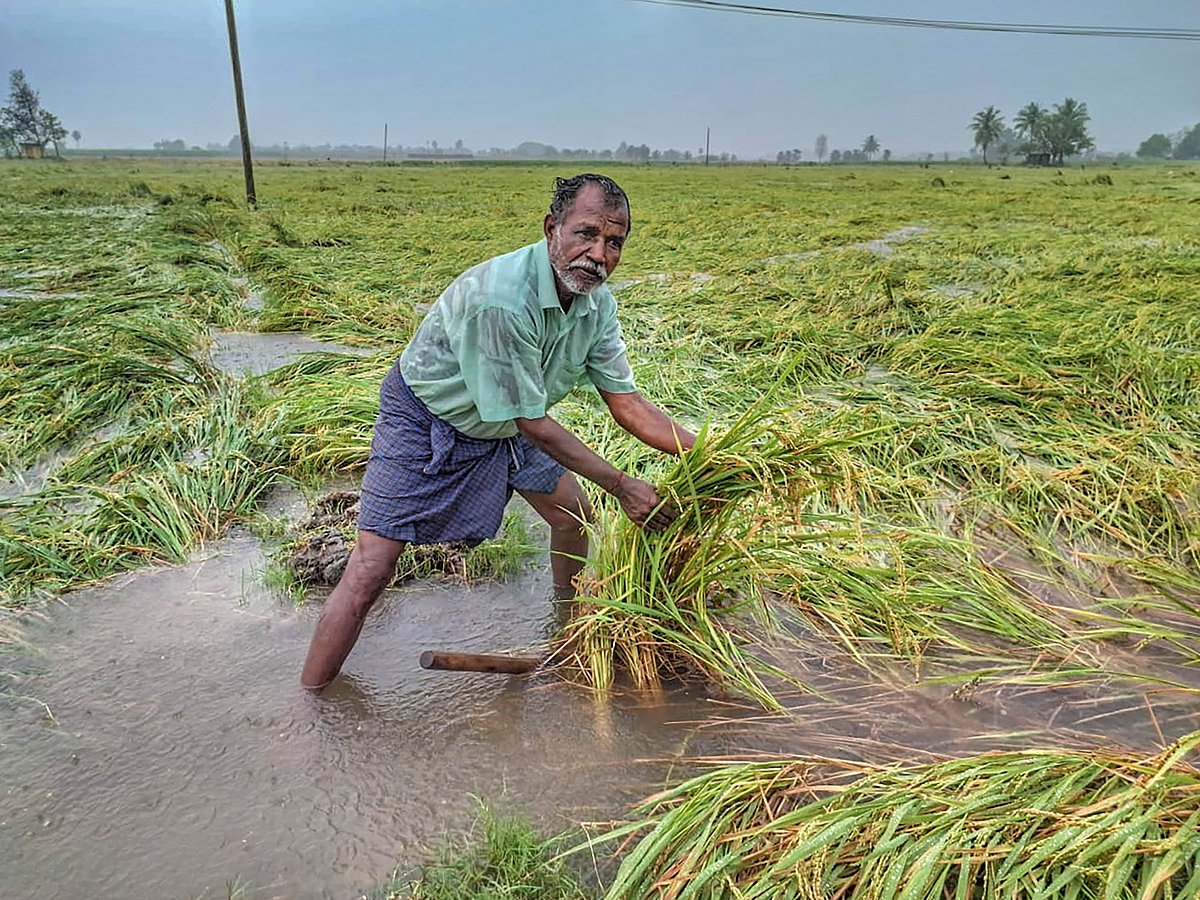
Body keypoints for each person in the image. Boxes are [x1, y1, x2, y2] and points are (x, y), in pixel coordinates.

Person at [301, 173, 696, 691]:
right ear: (552, 227)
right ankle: (311, 703)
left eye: (614, 242)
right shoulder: (503, 301)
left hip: (508, 419)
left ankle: (568, 634)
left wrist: (711, 453)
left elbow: (628, 403)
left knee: (572, 515)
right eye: (585, 234)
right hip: (429, 416)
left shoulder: (596, 304)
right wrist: (622, 485)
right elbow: (532, 423)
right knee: (372, 568)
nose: (598, 254)